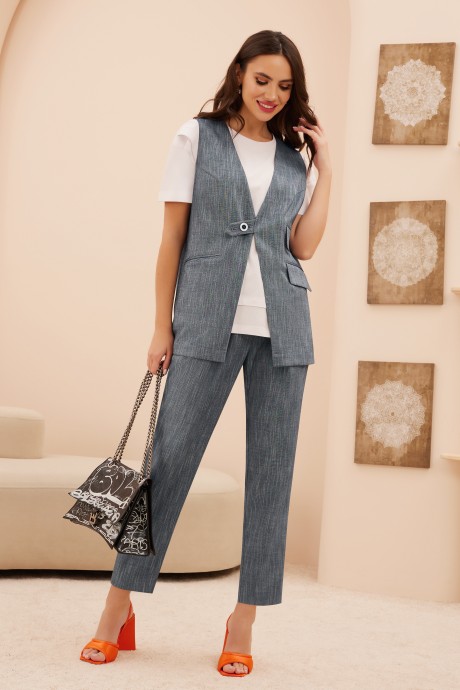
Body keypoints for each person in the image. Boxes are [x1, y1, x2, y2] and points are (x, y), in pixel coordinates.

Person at [80, 28, 332, 676]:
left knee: (271, 478)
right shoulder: (196, 137)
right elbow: (171, 238)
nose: (271, 94)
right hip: (203, 321)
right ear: (239, 74)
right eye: (262, 80)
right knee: (167, 466)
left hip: (284, 328)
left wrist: (326, 167)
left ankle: (242, 622)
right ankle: (116, 609)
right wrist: (161, 326)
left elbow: (303, 247)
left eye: (284, 86)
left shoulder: (294, 158)